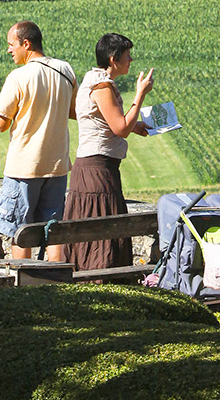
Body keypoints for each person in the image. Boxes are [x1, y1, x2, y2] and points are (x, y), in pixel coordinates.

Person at [60, 33, 154, 270]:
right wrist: (140, 94)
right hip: (98, 170)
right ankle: (102, 278)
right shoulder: (102, 86)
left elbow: (105, 121)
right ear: (113, 59)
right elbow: (120, 128)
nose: (131, 60)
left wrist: (136, 126)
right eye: (127, 55)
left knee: (92, 230)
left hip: (92, 168)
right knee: (104, 231)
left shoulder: (93, 79)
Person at [0, 20, 77, 261]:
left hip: (24, 168)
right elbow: (73, 111)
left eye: (11, 45)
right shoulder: (65, 70)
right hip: (57, 166)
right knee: (54, 233)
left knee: (20, 231)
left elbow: (1, 124)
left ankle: (22, 289)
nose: (9, 50)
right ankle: (57, 282)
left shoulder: (18, 77)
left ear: (26, 44)